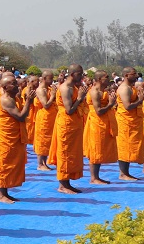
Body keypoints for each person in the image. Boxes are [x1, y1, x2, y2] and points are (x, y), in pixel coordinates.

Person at [0, 73, 34, 203]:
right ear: (4, 87)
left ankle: (6, 192)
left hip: (13, 135)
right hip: (6, 136)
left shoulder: (14, 98)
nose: (16, 85)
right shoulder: (5, 100)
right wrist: (29, 101)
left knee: (11, 162)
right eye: (13, 84)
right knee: (4, 162)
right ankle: (1, 194)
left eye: (16, 83)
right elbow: (20, 116)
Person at [49, 64, 89, 194]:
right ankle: (62, 185)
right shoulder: (65, 88)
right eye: (79, 73)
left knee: (72, 153)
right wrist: (79, 99)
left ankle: (67, 183)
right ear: (72, 74)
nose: (82, 76)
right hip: (66, 124)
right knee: (65, 153)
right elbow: (69, 110)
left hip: (74, 125)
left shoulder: (74, 87)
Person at [85, 70, 117, 185]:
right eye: (106, 77)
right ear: (99, 79)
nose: (108, 79)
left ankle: (96, 176)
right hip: (96, 123)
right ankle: (93, 178)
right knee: (95, 149)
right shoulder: (95, 92)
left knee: (100, 150)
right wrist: (110, 104)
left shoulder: (104, 91)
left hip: (103, 122)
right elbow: (98, 111)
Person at [116, 67, 144, 180]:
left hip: (133, 121)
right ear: (126, 75)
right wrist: (140, 100)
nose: (136, 75)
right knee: (124, 146)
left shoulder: (131, 87)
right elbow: (127, 106)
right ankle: (123, 173)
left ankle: (126, 173)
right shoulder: (124, 88)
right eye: (133, 74)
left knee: (130, 146)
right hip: (125, 122)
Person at [34, 71, 58, 170]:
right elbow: (46, 105)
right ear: (44, 78)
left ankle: (44, 162)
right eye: (50, 79)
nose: (52, 81)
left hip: (50, 118)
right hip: (43, 118)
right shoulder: (40, 90)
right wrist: (52, 95)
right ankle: (40, 164)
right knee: (42, 140)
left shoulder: (48, 89)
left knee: (48, 140)